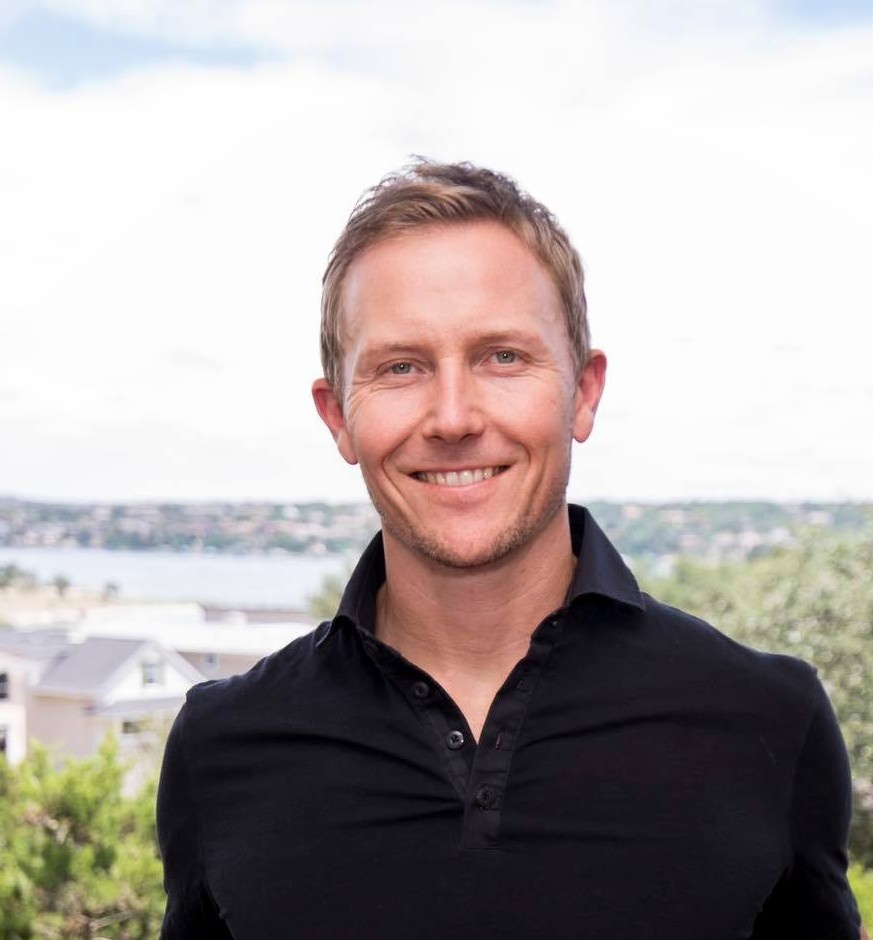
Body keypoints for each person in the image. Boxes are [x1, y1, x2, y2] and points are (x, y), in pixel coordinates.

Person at [157, 160, 863, 939]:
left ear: (583, 393)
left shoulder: (768, 720)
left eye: (502, 357)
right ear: (337, 417)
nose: (453, 417)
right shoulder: (221, 746)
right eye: (400, 367)